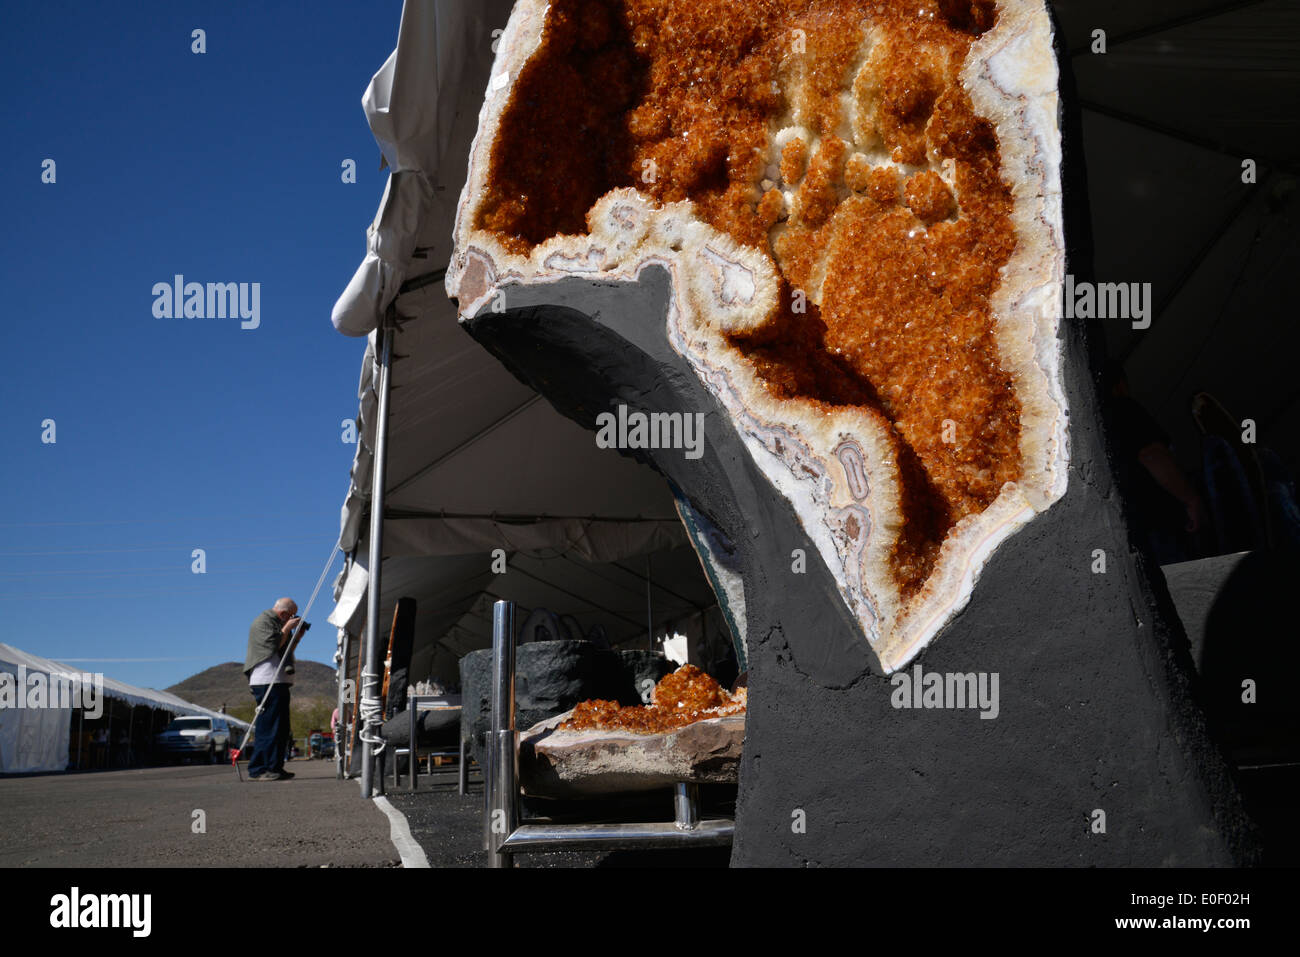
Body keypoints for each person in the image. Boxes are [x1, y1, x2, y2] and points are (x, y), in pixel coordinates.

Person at [243, 597, 304, 782]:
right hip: (267, 681)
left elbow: (284, 649)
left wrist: (297, 637)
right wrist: (287, 629)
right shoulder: (263, 622)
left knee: (281, 728)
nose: (292, 619)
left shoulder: (276, 624)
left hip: (278, 681)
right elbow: (271, 646)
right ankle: (259, 768)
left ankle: (275, 766)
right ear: (284, 614)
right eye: (292, 616)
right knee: (269, 727)